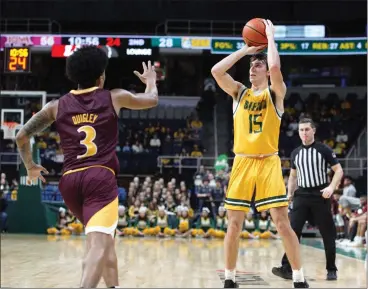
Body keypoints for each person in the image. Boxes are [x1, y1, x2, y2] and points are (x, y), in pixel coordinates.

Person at [15, 46, 158, 288]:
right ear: (101, 76)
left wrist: (30, 166)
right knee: (98, 246)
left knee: (106, 241)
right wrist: (151, 81)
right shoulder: (114, 96)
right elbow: (152, 100)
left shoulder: (56, 106)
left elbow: (21, 136)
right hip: (100, 179)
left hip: (69, 183)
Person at [211, 19, 308, 288]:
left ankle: (299, 277)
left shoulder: (276, 94)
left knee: (281, 222)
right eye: (251, 66)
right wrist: (246, 50)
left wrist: (271, 38)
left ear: (266, 73)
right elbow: (217, 71)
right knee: (234, 224)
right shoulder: (239, 93)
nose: (253, 68)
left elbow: (276, 66)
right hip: (242, 163)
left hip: (268, 163)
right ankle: (229, 278)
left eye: (258, 65)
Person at [272, 118, 343, 281]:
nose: (304, 133)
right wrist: (289, 194)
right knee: (292, 232)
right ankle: (286, 267)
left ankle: (331, 269)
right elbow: (293, 176)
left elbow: (338, 171)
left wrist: (331, 187)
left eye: (306, 129)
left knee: (327, 233)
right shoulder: (295, 152)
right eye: (301, 130)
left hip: (320, 194)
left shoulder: (323, 149)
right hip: (301, 196)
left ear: (313, 131)